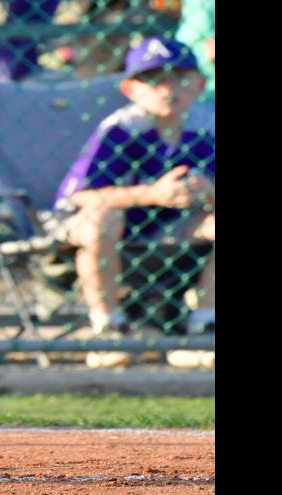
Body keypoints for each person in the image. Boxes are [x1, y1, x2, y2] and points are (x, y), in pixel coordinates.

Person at [53, 36, 214, 334]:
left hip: (173, 228)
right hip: (103, 227)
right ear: (130, 89)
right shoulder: (122, 129)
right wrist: (153, 194)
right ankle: (109, 325)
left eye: (180, 78)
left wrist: (209, 192)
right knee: (104, 216)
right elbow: (80, 197)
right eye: (154, 79)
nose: (168, 89)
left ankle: (206, 321)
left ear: (200, 84)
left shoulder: (207, 126)